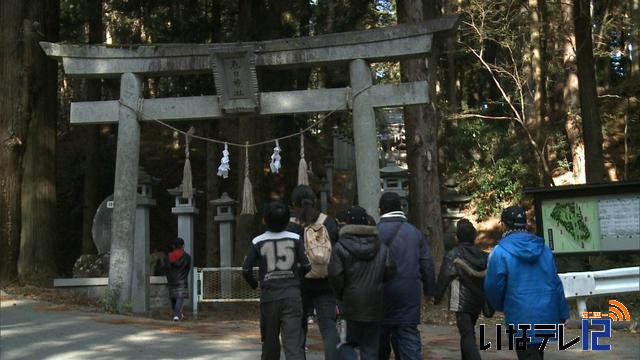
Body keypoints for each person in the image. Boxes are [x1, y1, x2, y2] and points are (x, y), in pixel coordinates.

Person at [484, 206, 569, 360]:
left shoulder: (500, 252)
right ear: (525, 224)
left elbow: (493, 286)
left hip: (519, 314)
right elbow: (555, 283)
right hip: (545, 312)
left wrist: (499, 305)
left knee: (528, 355)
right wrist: (562, 312)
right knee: (536, 354)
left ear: (504, 225)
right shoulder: (543, 248)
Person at [242, 201, 311, 360]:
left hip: (269, 296)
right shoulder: (296, 238)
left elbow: (246, 270)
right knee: (294, 342)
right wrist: (296, 279)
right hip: (292, 295)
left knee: (270, 342)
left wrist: (255, 284)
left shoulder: (257, 241)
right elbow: (307, 266)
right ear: (288, 220)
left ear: (264, 219)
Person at [328, 206, 395, 359]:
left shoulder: (340, 247)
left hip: (350, 303)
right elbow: (390, 270)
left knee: (346, 343)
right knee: (370, 346)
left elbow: (334, 275)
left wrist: (341, 294)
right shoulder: (381, 247)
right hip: (375, 303)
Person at [376, 192, 436, 359]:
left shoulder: (373, 233)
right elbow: (427, 264)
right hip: (408, 293)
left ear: (380, 210)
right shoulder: (415, 233)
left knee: (378, 343)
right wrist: (430, 291)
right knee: (408, 339)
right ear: (401, 208)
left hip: (379, 294)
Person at [286, 185, 340, 360]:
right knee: (328, 327)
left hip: (299, 283)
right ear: (315, 201)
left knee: (298, 328)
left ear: (294, 203)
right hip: (325, 282)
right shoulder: (329, 223)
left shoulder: (291, 227)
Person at [434, 219, 488, 360]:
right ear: (474, 236)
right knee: (469, 332)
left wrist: (436, 297)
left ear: (457, 237)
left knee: (466, 334)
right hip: (477, 299)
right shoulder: (483, 255)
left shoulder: (453, 254)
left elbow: (444, 277)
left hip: (461, 300)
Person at [165, 237, 191, 321]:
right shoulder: (187, 257)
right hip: (182, 280)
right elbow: (188, 268)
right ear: (182, 246)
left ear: (173, 246)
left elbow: (167, 268)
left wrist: (169, 277)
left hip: (171, 280)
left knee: (173, 297)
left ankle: (177, 314)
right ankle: (177, 315)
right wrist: (184, 276)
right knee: (179, 298)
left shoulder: (169, 256)